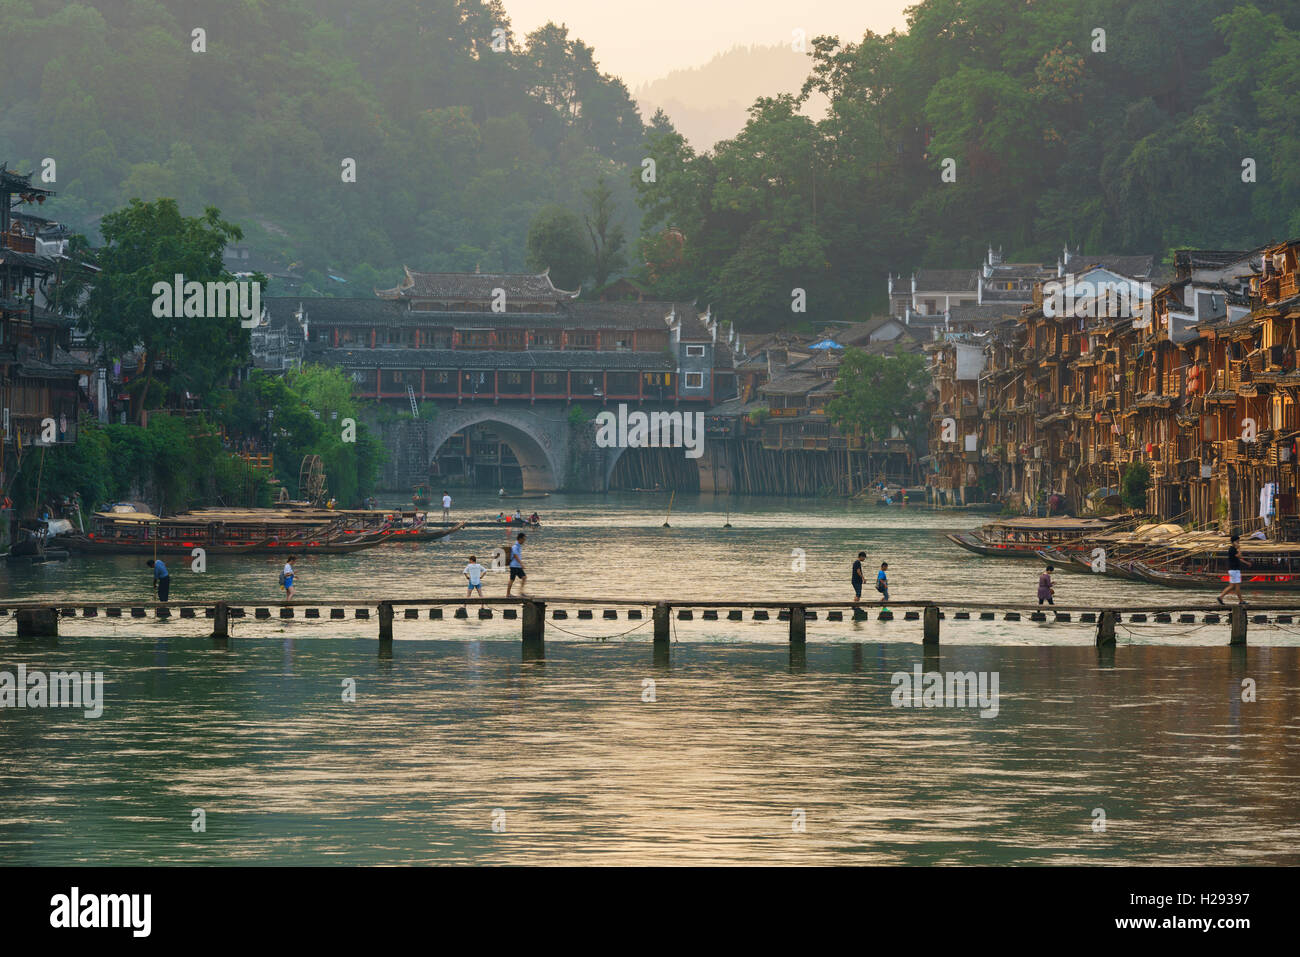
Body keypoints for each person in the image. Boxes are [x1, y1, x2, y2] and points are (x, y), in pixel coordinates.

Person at [1217, 534, 1248, 605]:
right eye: (1238, 541)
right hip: (1234, 570)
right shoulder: (1232, 549)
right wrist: (1239, 548)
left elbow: (1238, 558)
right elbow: (1239, 555)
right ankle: (1241, 601)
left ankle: (1220, 597)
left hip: (1233, 570)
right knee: (1237, 586)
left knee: (1231, 586)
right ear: (1234, 542)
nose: (1238, 542)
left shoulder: (1233, 549)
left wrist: (1246, 562)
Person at [505, 532, 527, 596]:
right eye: (523, 539)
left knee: (524, 577)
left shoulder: (519, 546)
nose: (524, 541)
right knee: (512, 580)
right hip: (514, 566)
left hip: (518, 566)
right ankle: (508, 594)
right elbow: (515, 556)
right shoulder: (515, 546)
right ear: (520, 539)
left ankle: (521, 592)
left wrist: (520, 564)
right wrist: (521, 564)